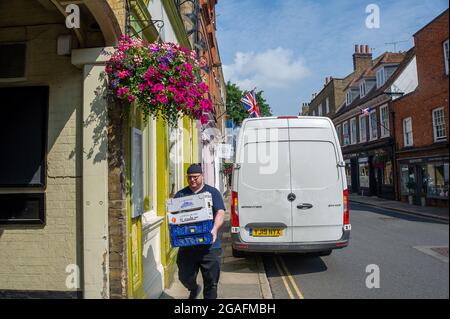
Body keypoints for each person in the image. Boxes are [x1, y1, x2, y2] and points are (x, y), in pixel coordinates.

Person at [174, 164, 226, 299]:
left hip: (210, 247)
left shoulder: (212, 192)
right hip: (187, 247)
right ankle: (194, 288)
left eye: (195, 177)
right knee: (185, 277)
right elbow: (174, 217)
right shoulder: (180, 195)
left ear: (202, 176)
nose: (192, 180)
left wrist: (214, 229)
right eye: (190, 178)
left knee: (211, 283)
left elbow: (220, 212)